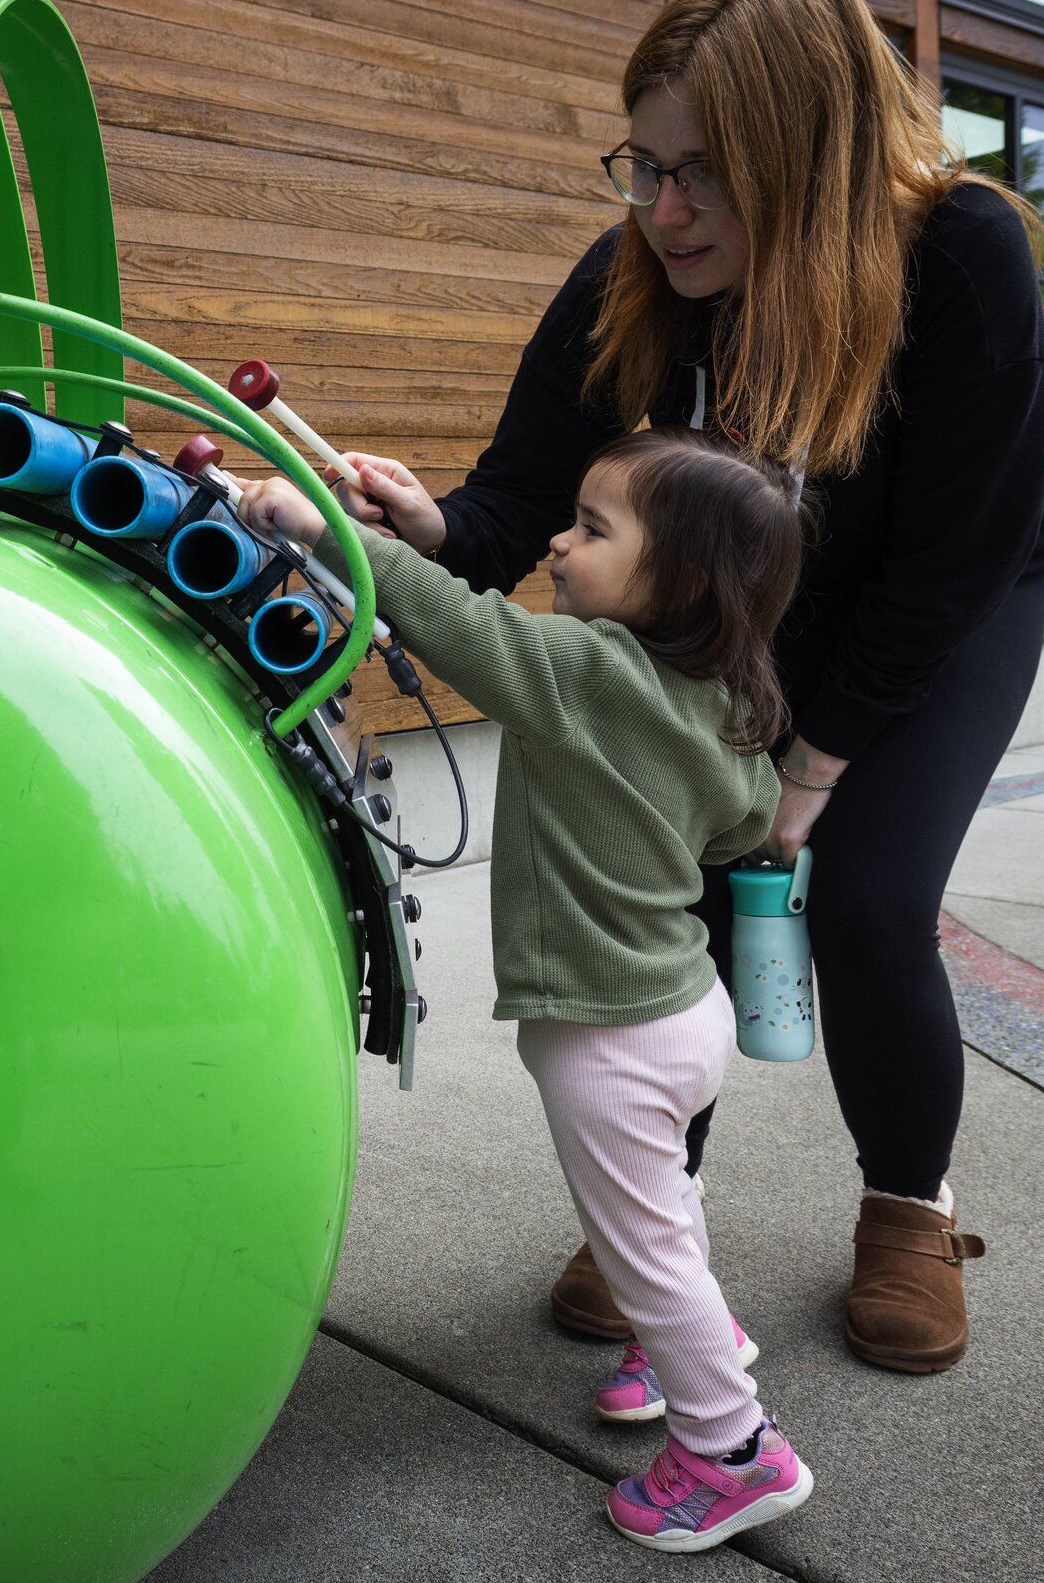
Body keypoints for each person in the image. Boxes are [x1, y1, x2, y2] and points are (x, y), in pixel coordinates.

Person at [319, 0, 1044, 1373]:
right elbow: (514, 497)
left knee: (872, 901)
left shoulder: (959, 252)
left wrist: (818, 761)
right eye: (642, 166)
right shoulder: (633, 273)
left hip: (935, 607)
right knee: (684, 887)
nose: (662, 211)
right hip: (743, 615)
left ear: (810, 159)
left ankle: (910, 1209)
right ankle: (660, 1214)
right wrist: (427, 525)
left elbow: (955, 552)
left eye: (703, 173)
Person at [242, 428, 812, 1553]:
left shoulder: (584, 672)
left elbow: (455, 620)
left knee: (639, 1239)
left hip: (612, 1035)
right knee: (660, 1215)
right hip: (683, 1006)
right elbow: (747, 820)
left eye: (594, 528)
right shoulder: (728, 697)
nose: (559, 538)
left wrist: (333, 531)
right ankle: (686, 1339)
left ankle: (733, 1449)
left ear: (681, 580)